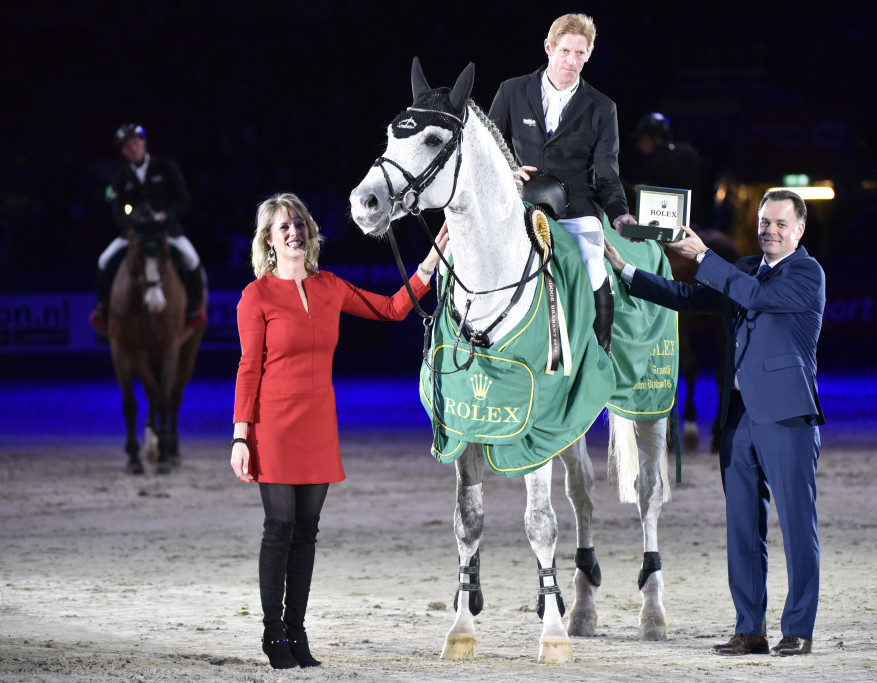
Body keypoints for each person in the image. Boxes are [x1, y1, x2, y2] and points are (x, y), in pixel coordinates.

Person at [230, 192, 448, 669]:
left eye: (300, 224)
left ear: (309, 233)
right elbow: (248, 368)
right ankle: (272, 635)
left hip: (318, 422)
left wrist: (431, 261)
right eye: (283, 227)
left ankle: (297, 632)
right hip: (273, 424)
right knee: (279, 526)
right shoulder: (257, 296)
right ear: (268, 240)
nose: (294, 232)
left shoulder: (329, 286)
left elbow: (392, 309)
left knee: (306, 531)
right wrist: (241, 435)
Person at [604, 189, 825, 657]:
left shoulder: (807, 273)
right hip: (737, 418)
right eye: (765, 222)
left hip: (787, 418)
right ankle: (751, 629)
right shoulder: (742, 268)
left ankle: (798, 628)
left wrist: (703, 254)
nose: (770, 230)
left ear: (799, 230)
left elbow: (758, 298)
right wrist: (626, 271)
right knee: (742, 529)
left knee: (798, 529)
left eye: (781, 224)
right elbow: (686, 296)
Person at [488, 12, 637, 353]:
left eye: (580, 53)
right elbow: (490, 146)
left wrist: (618, 213)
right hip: (522, 204)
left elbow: (607, 173)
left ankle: (600, 355)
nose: (572, 61)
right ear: (549, 48)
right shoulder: (511, 91)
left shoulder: (602, 107)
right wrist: (509, 171)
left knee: (593, 264)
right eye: (565, 51)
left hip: (577, 208)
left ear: (590, 53)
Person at [90, 123, 207, 330]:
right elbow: (117, 211)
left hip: (166, 230)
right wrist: (133, 222)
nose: (133, 148)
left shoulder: (166, 167)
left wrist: (165, 215)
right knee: (103, 260)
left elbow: (183, 200)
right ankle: (104, 308)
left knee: (191, 259)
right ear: (123, 151)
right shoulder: (119, 179)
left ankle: (192, 307)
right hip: (134, 233)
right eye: (127, 146)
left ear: (143, 143)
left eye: (135, 142)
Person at [624, 112, 708, 229]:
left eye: (643, 138)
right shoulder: (689, 151)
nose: (640, 144)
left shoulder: (658, 162)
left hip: (673, 227)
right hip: (698, 225)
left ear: (656, 138)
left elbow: (653, 203)